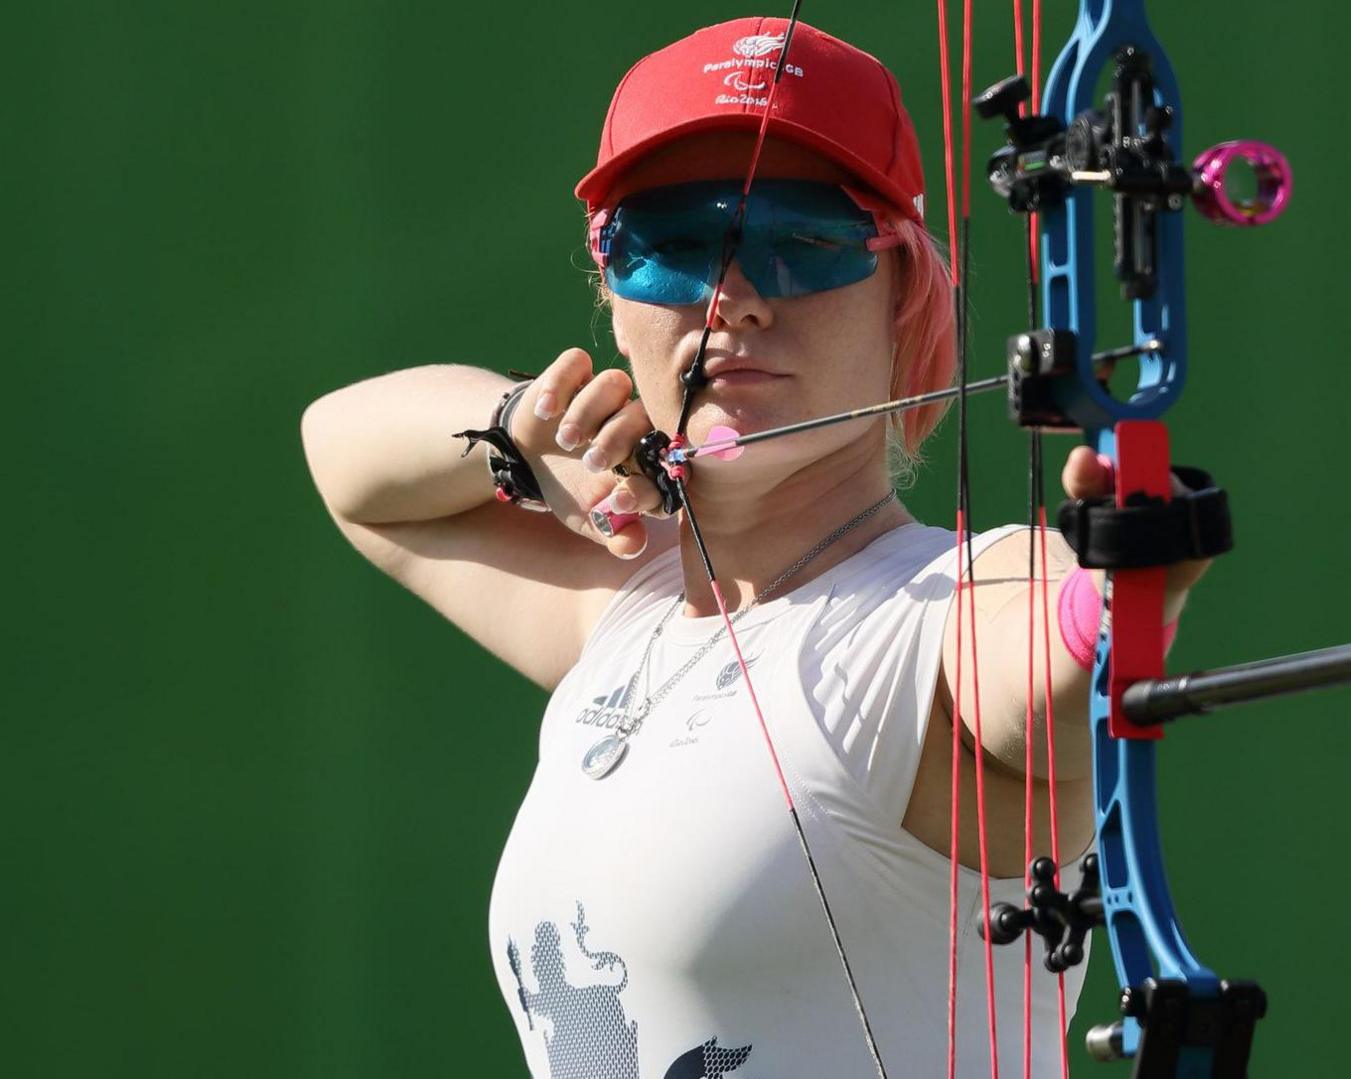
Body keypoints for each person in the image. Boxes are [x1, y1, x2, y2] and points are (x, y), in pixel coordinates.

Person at [301, 16, 1207, 1078]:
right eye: (671, 245)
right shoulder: (629, 609)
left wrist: (1119, 575)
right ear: (612, 289)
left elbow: (1045, 662)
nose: (732, 296)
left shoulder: (938, 615)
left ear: (904, 294)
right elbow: (347, 460)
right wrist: (526, 431)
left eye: (800, 237)